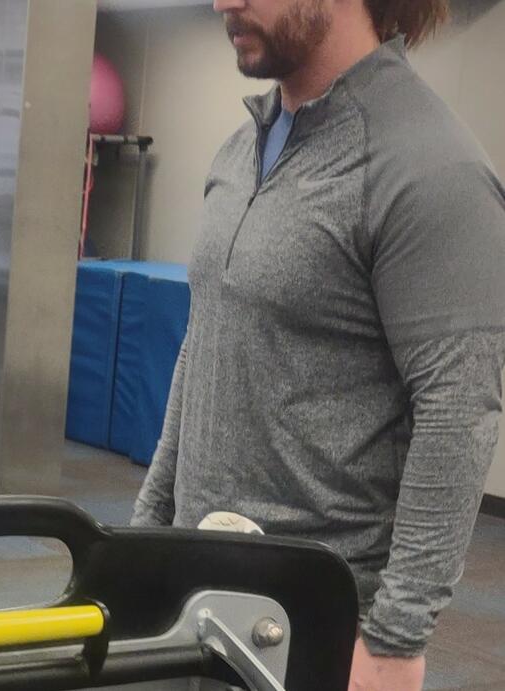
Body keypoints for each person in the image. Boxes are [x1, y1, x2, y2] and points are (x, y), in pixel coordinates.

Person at [130, 1, 505, 690]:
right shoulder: (238, 152)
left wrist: (394, 643)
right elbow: (203, 343)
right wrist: (148, 530)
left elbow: (459, 411)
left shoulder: (429, 165)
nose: (222, 2)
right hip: (196, 587)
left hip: (313, 619)